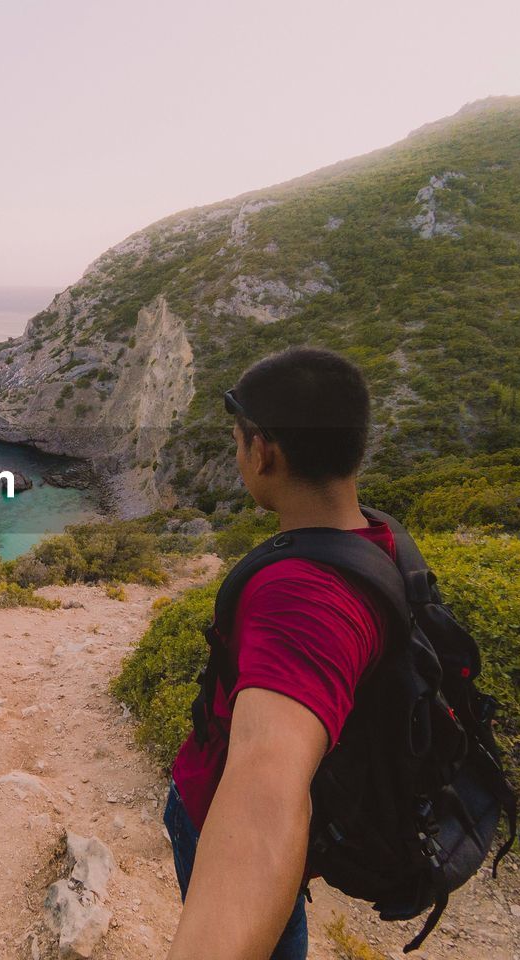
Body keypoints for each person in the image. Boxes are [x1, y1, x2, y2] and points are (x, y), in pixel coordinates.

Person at [164, 346, 395, 960]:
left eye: (239, 442)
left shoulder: (303, 597)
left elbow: (266, 784)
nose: (238, 455)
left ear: (262, 451)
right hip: (311, 820)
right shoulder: (377, 538)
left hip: (216, 815)